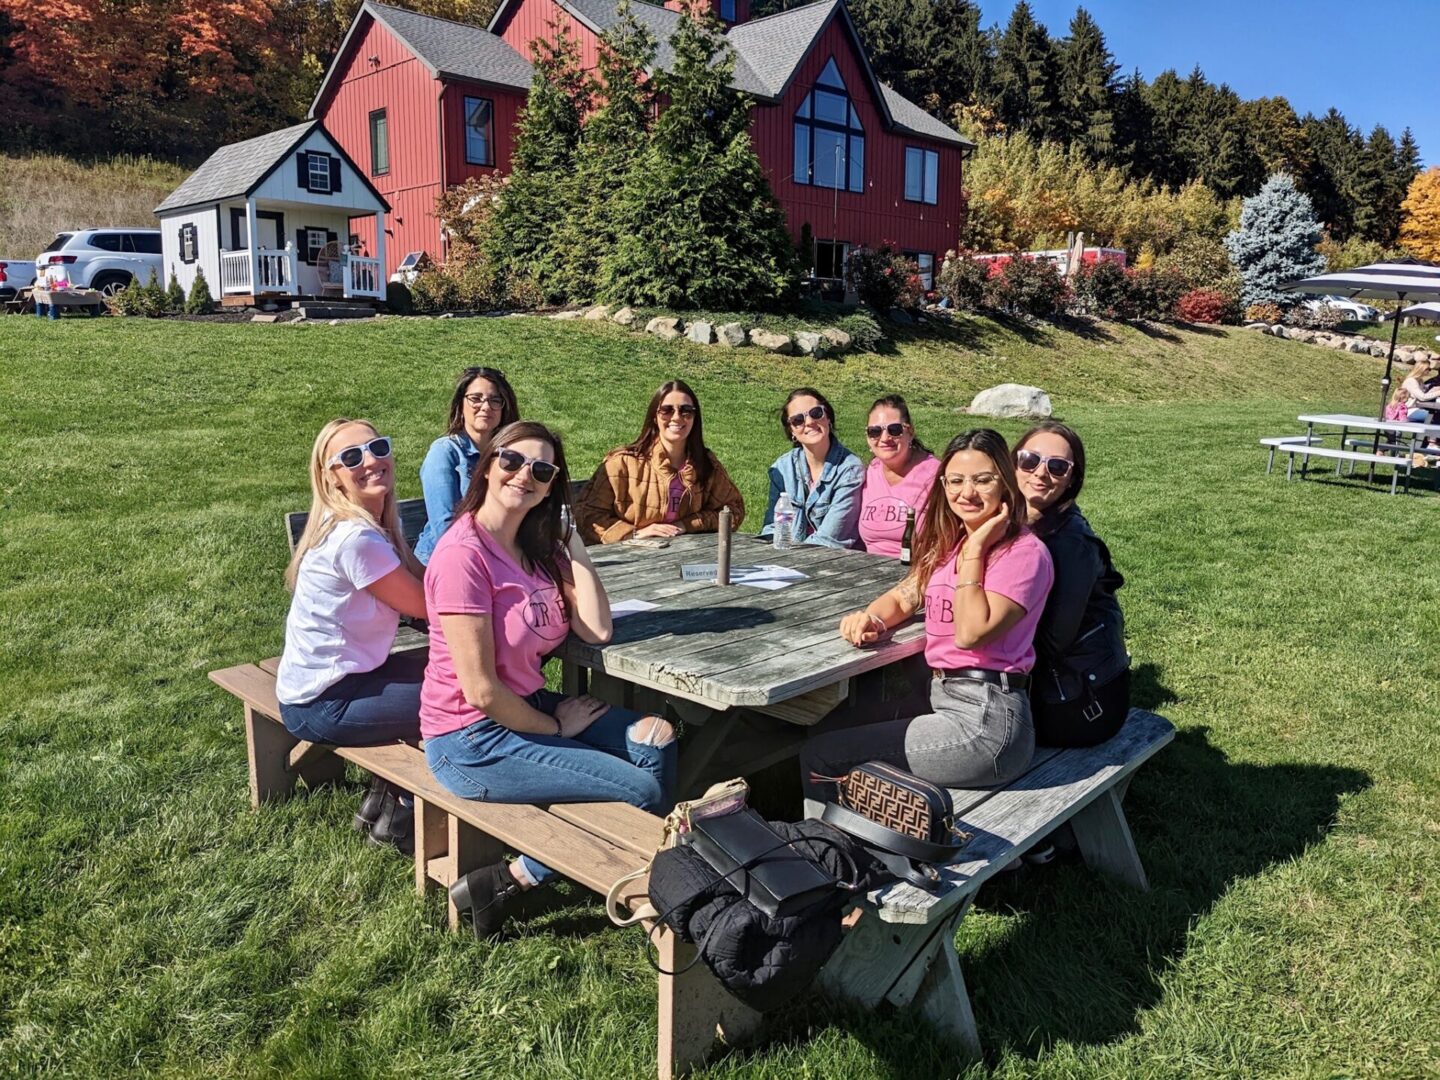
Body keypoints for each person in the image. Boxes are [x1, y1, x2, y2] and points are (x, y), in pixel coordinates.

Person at [420, 421, 676, 938]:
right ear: (488, 465)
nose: (524, 476)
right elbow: (480, 691)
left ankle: (629, 868)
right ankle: (509, 881)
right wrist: (554, 729)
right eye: (511, 461)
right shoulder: (462, 555)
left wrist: (571, 539)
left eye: (541, 470)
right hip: (468, 739)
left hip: (526, 708)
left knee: (659, 737)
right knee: (641, 788)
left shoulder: (534, 548)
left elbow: (598, 628)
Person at [799, 429, 1053, 812]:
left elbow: (970, 634)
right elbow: (907, 594)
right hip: (945, 702)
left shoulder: (1023, 554)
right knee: (828, 726)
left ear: (1005, 483)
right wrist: (872, 618)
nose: (966, 492)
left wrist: (978, 548)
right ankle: (858, 837)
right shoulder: (951, 544)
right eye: (955, 480)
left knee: (824, 756)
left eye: (982, 480)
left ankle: (827, 853)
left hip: (987, 723)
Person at [276, 419, 428, 852]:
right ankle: (402, 810)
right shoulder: (356, 539)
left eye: (378, 446)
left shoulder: (373, 528)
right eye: (351, 457)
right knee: (466, 695)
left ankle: (381, 801)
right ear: (332, 477)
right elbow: (426, 606)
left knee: (451, 672)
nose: (371, 460)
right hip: (325, 703)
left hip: (338, 682)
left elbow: (425, 581)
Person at [1014, 422, 1130, 748]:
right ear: (1013, 462)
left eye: (1057, 466)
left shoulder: (1071, 543)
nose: (1040, 472)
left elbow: (1052, 641)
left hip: (1077, 701)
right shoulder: (1010, 521)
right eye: (1029, 460)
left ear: (1070, 480)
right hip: (1048, 683)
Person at [575, 379, 745, 544]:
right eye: (667, 410)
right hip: (627, 562)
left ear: (695, 418)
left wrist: (687, 525)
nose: (677, 417)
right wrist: (635, 533)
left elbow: (733, 510)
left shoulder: (706, 464)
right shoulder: (622, 464)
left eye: (686, 410)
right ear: (655, 417)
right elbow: (587, 516)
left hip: (688, 556)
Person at [414, 367, 520, 563]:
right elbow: (445, 527)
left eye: (495, 400)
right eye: (476, 398)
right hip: (446, 561)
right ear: (461, 404)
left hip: (500, 557)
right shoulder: (445, 452)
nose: (486, 406)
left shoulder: (511, 456)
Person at [760, 387, 864, 549]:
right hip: (786, 559)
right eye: (798, 420)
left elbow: (830, 540)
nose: (809, 422)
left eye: (816, 413)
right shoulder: (781, 468)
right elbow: (772, 528)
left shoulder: (849, 470)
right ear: (792, 431)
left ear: (828, 417)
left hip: (833, 563)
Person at [856, 395, 939, 558]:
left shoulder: (934, 474)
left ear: (910, 432)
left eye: (894, 430)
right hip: (867, 572)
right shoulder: (869, 472)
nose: (885, 438)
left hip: (919, 571)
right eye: (875, 431)